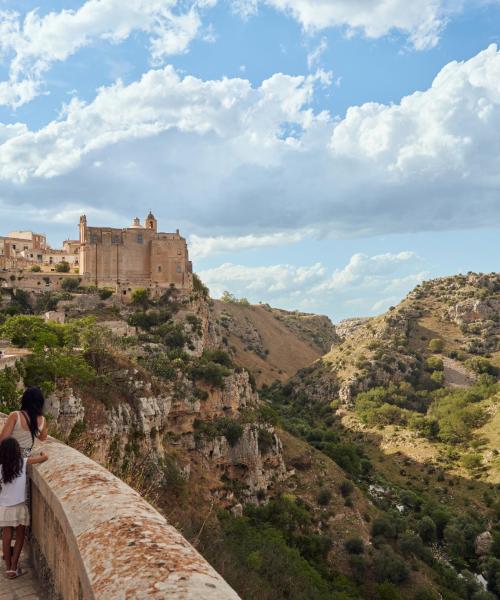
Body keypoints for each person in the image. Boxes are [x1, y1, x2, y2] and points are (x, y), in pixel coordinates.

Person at [0, 437, 48, 578]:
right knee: (20, 535)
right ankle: (15, 567)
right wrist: (42, 453)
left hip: (4, 507)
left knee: (6, 536)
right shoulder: (22, 462)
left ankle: (8, 568)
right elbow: (45, 457)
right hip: (19, 505)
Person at [0, 387, 48, 457]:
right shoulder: (43, 419)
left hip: (8, 456)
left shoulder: (15, 415)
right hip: (23, 459)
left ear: (24, 400)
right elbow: (43, 438)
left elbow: (2, 440)